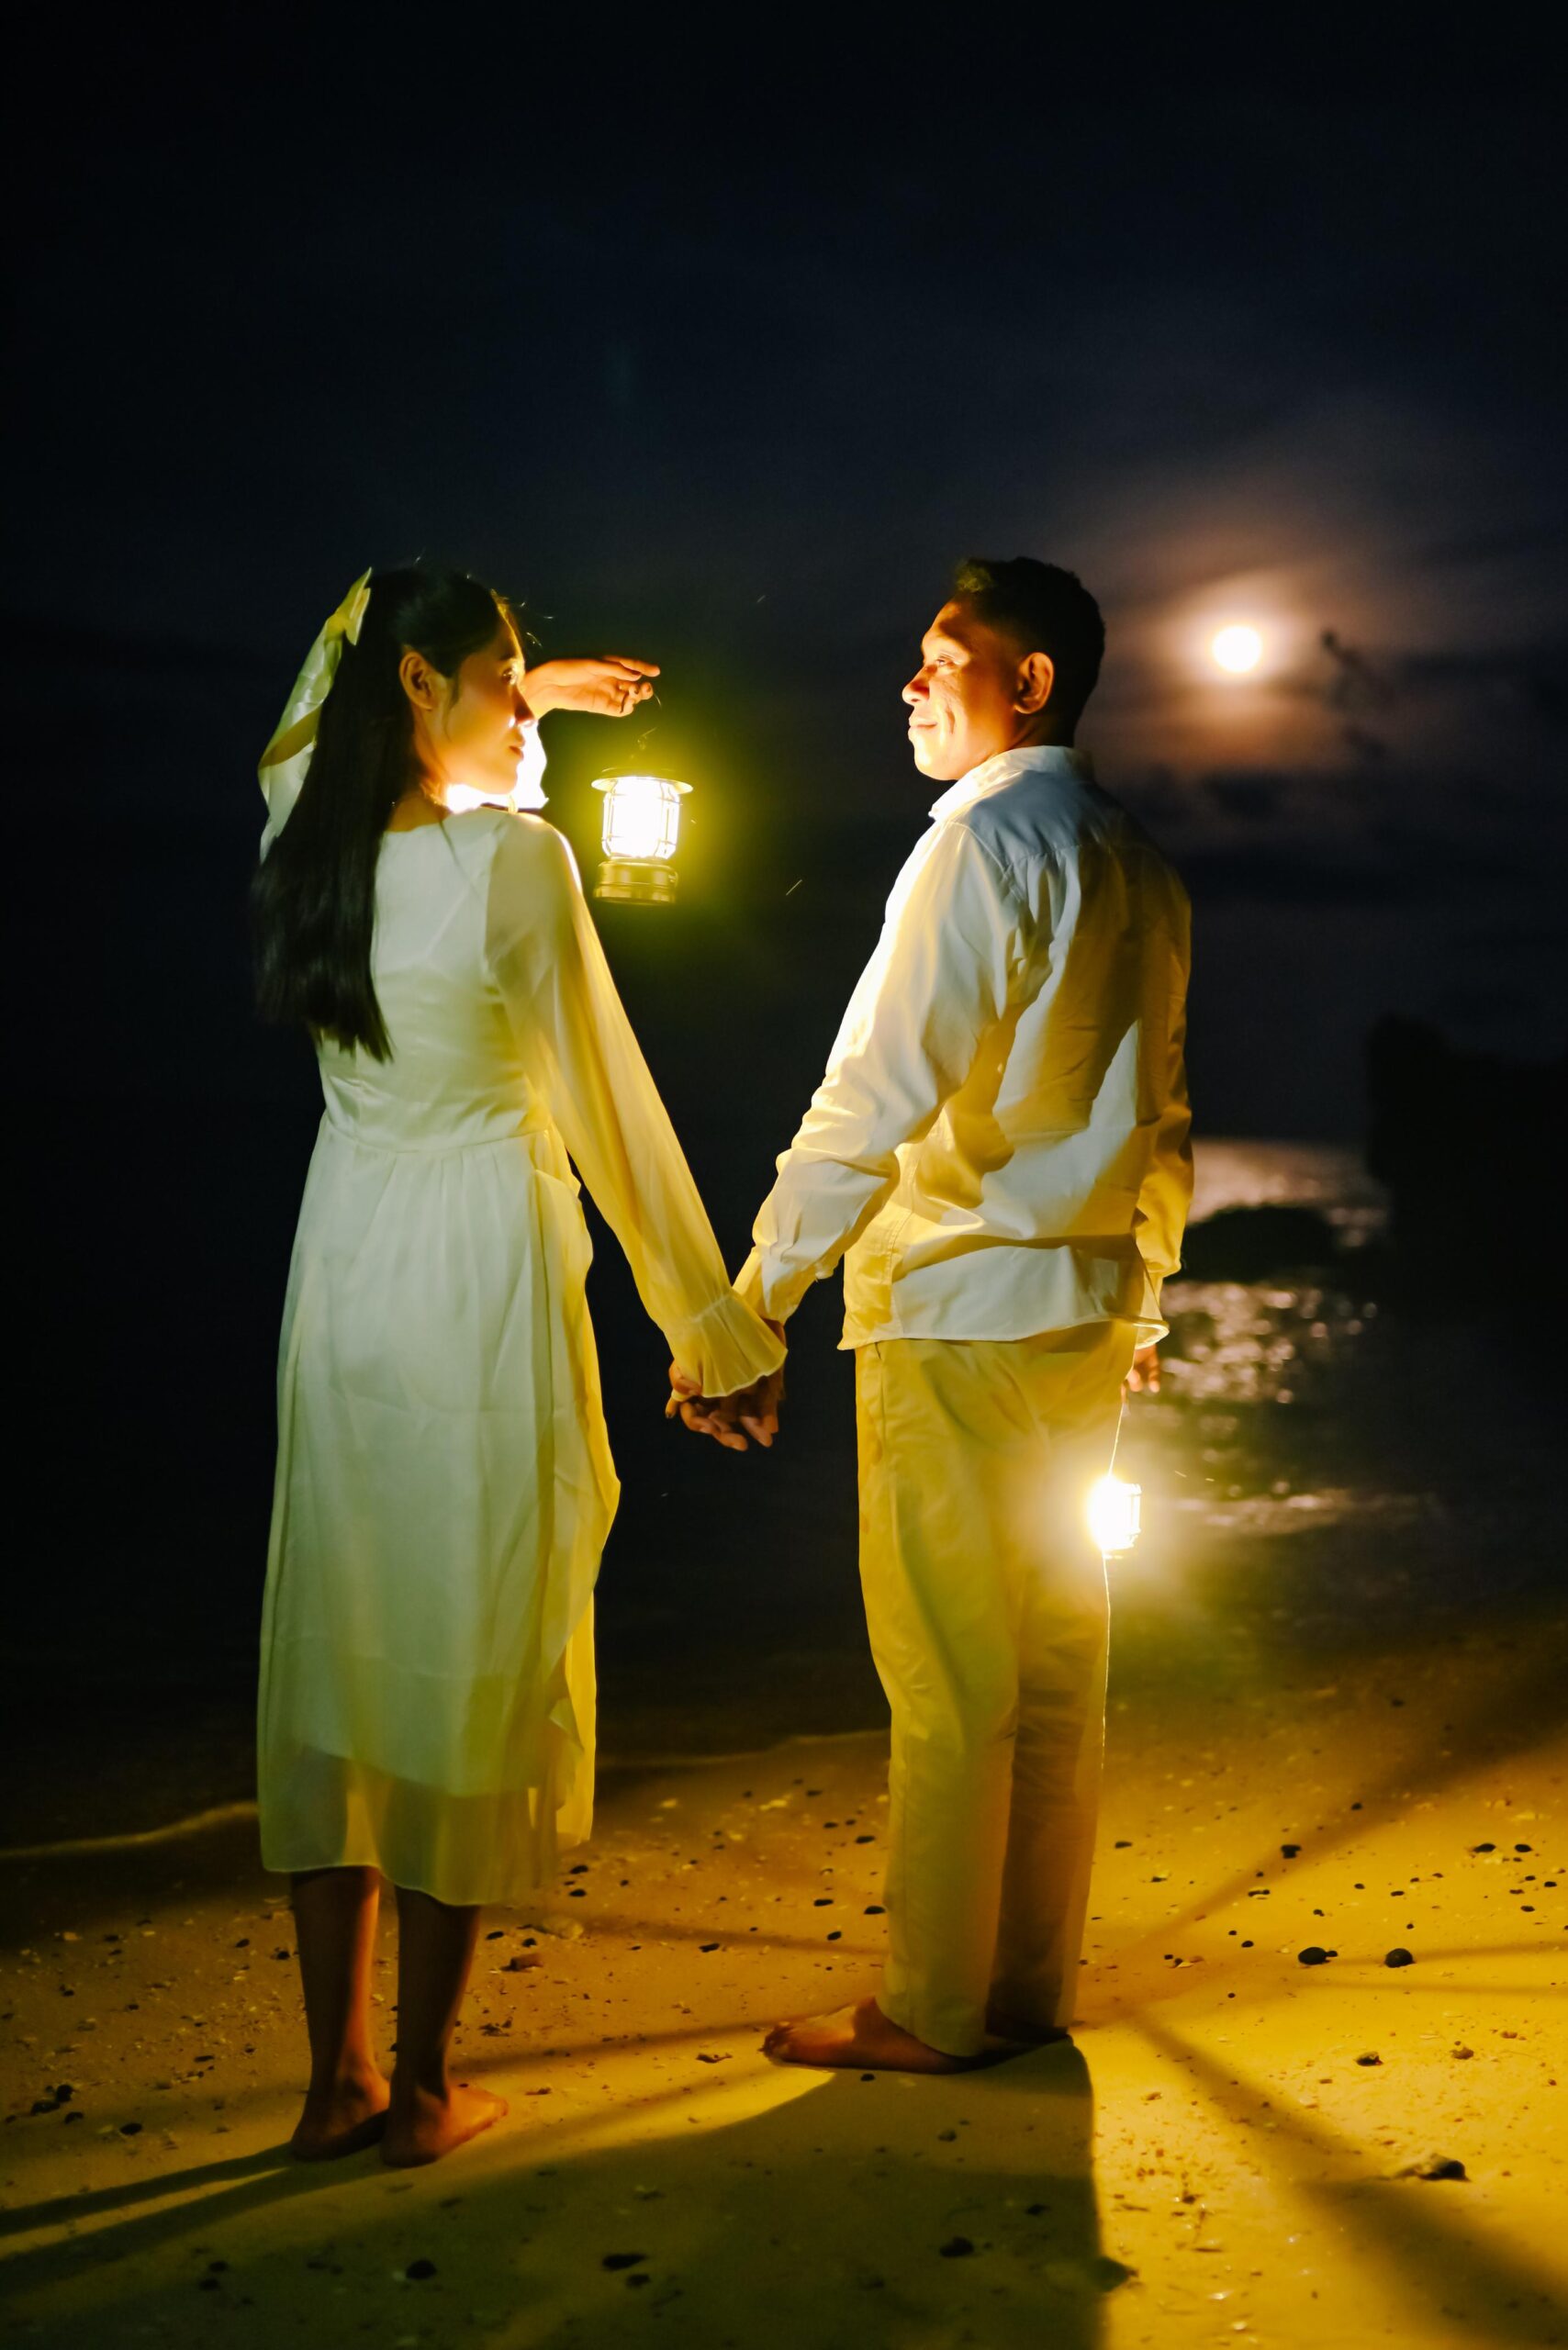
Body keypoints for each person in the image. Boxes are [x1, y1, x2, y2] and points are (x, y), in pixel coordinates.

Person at [252, 563, 783, 2165]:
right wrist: (714, 1331)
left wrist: (513, 689)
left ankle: (334, 2079)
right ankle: (423, 2088)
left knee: (344, 1639)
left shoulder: (304, 848)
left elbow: (306, 715)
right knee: (474, 1632)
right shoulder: (515, 865)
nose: (527, 712)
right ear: (421, 686)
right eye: (503, 675)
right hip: (476, 1264)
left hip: (346, 1263)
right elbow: (615, 1111)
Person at [675, 557, 1191, 2070]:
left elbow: (871, 1098)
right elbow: (1162, 1112)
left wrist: (752, 1306)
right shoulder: (1140, 863)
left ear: (1027, 683)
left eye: (938, 658)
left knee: (953, 1675)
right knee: (1055, 1671)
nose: (907, 684)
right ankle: (1024, 1990)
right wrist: (1147, 1294)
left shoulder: (976, 845)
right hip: (1084, 1311)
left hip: (958, 1307)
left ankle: (932, 2007)